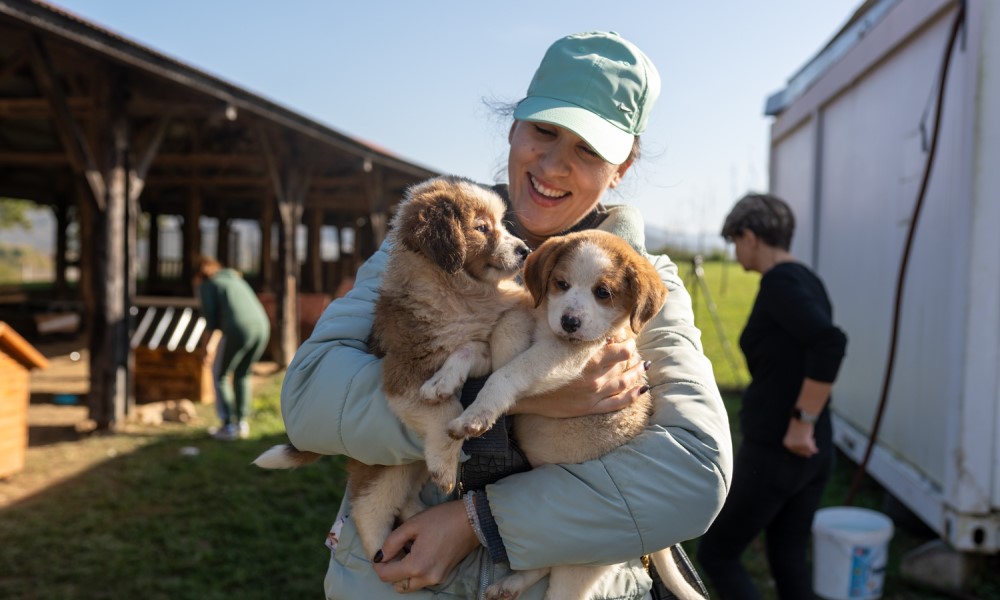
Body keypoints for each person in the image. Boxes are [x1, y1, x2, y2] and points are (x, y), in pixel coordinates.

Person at [281, 31, 732, 599]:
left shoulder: (646, 286)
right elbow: (306, 402)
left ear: (622, 167)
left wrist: (477, 523)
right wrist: (515, 401)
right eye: (544, 131)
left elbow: (694, 476)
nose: (553, 164)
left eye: (588, 151)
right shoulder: (431, 241)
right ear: (514, 125)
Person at [696, 193, 848, 599]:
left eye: (734, 240)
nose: (735, 250)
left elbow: (830, 343)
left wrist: (803, 422)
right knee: (788, 557)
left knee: (718, 554)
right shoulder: (808, 278)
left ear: (750, 236)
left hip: (779, 450)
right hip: (815, 454)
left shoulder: (781, 283)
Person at [194, 256, 271, 441]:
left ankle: (228, 426)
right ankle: (242, 424)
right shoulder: (235, 279)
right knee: (242, 374)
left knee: (220, 374)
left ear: (199, 274)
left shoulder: (208, 285)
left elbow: (211, 323)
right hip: (262, 327)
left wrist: (206, 349)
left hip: (239, 329)